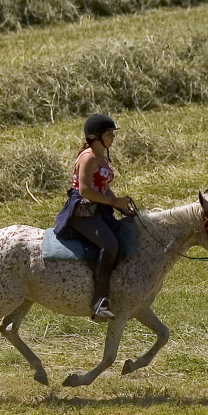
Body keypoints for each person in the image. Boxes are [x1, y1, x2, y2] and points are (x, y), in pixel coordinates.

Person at [54, 114, 135, 321]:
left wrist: (120, 207)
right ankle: (99, 303)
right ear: (96, 137)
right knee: (110, 245)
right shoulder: (88, 158)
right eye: (109, 134)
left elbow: (103, 187)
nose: (113, 138)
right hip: (82, 212)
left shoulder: (102, 157)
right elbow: (85, 191)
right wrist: (114, 203)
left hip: (99, 209)